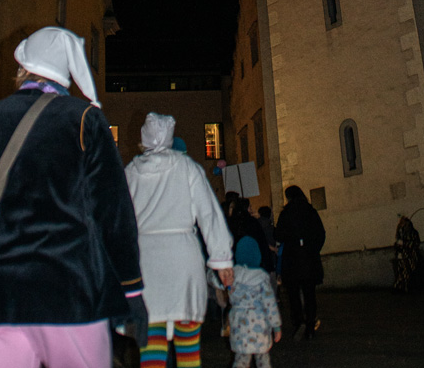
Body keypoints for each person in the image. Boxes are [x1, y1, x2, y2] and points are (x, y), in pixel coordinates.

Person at [0, 26, 145, 368]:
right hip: (69, 292)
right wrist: (131, 287)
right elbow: (114, 213)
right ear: (65, 75)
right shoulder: (85, 120)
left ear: (22, 68)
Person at [125, 112, 234, 368]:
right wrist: (222, 260)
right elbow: (209, 215)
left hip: (146, 265)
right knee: (188, 348)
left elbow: (117, 222)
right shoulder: (188, 168)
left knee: (151, 346)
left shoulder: (129, 173)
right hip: (183, 263)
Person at [209, 236, 281, 368]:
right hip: (260, 326)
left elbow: (216, 281)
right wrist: (276, 326)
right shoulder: (262, 278)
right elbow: (270, 304)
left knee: (241, 359)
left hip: (240, 326)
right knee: (263, 359)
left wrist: (213, 271)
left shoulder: (232, 275)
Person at [275, 185, 325, 341]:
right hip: (309, 259)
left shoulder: (286, 213)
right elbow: (321, 233)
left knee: (294, 295)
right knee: (310, 295)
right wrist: (313, 249)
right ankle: (310, 325)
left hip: (292, 260)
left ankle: (298, 323)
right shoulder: (310, 211)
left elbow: (279, 235)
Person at [393, 215, 421, 293]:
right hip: (401, 256)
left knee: (408, 271)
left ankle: (407, 288)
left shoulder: (413, 233)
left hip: (410, 256)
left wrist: (404, 244)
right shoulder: (401, 232)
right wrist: (398, 247)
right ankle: (400, 287)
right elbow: (397, 244)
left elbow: (415, 244)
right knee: (401, 272)